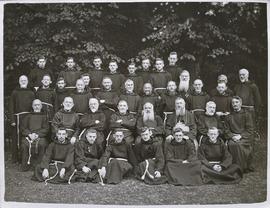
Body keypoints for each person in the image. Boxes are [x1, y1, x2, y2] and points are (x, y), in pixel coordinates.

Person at [9, 75, 35, 163]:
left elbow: (33, 106)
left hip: (28, 117)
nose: (23, 81)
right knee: (16, 137)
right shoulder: (15, 92)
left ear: (27, 81)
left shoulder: (31, 93)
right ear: (19, 81)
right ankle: (15, 158)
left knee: (27, 136)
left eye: (25, 80)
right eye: (21, 80)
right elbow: (11, 106)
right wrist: (12, 120)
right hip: (17, 118)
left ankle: (26, 157)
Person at [224, 96, 254, 173]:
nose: (235, 104)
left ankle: (242, 167)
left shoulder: (247, 114)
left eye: (237, 102)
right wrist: (232, 136)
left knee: (239, 145)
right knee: (233, 145)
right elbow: (226, 130)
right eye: (233, 103)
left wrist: (240, 136)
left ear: (240, 103)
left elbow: (250, 129)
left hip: (244, 137)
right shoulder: (228, 116)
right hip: (232, 137)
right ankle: (235, 167)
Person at [20, 99, 50, 171]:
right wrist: (29, 134)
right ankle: (26, 166)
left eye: (38, 105)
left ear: (41, 106)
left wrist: (37, 135)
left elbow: (46, 128)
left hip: (40, 137)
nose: (37, 107)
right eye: (35, 105)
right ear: (32, 106)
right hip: (29, 136)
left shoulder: (44, 117)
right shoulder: (28, 116)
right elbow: (23, 128)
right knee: (24, 145)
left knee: (42, 144)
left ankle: (38, 166)